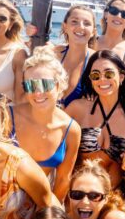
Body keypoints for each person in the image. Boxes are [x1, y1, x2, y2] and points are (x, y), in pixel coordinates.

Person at [66, 50, 125, 191]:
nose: (102, 80)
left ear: (121, 76)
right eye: (96, 75)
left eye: (109, 74)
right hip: (77, 195)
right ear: (90, 80)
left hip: (114, 198)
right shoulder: (77, 108)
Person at [9, 46, 81, 202]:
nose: (38, 92)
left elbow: (63, 180)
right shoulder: (8, 117)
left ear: (58, 84)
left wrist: (47, 214)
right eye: (30, 86)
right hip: (2, 201)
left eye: (45, 84)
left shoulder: (70, 129)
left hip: (43, 201)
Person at [54, 5, 96, 108]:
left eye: (87, 23)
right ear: (65, 27)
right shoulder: (53, 55)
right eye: (74, 21)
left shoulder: (97, 61)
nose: (81, 26)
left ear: (93, 32)